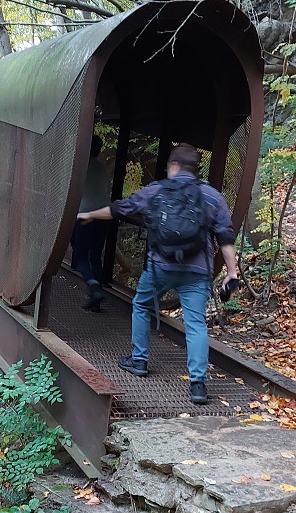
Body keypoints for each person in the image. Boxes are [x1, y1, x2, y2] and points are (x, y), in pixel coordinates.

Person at [77, 143, 239, 405]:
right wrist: (231, 273)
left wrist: (90, 215)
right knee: (196, 324)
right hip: (197, 271)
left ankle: (139, 360)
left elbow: (122, 208)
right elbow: (225, 237)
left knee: (141, 305)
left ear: (174, 165)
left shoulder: (157, 190)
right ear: (194, 169)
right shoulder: (212, 196)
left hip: (160, 267)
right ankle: (198, 385)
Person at [71, 134, 112, 311]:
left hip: (84, 215)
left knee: (80, 256)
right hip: (104, 216)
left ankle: (94, 288)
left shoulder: (79, 165)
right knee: (95, 256)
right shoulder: (101, 168)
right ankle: (96, 299)